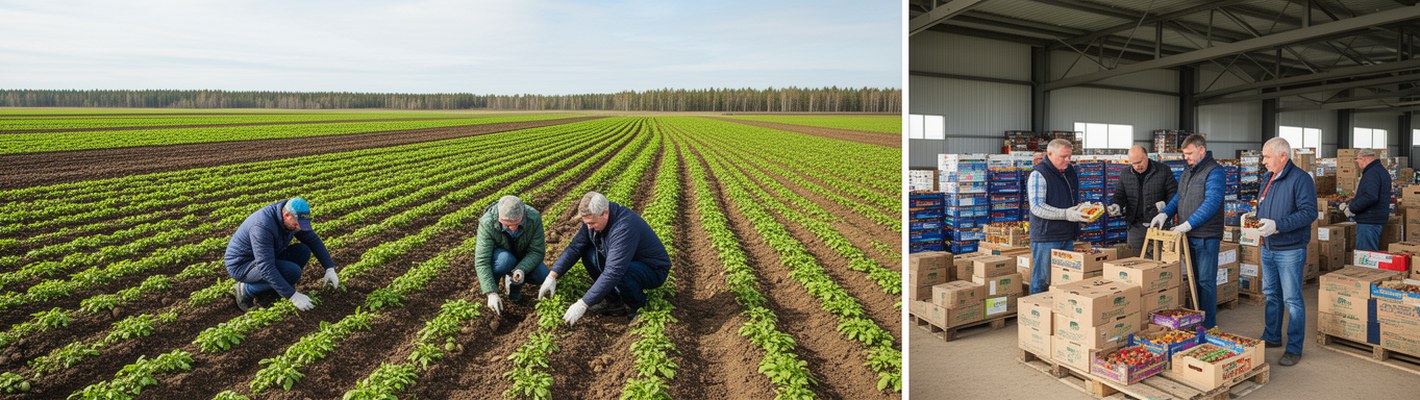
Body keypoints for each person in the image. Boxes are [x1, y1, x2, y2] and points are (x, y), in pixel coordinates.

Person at [540, 192, 671, 325]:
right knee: (588, 254)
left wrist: (583, 303)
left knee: (622, 272)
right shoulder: (593, 220)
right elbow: (575, 247)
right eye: (586, 223)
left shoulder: (624, 227)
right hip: (627, 261)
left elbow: (614, 271)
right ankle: (614, 303)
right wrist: (552, 276)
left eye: (592, 223)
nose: (589, 227)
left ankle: (639, 306)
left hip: (652, 270)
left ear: (605, 213)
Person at [1149, 134, 1224, 329]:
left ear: (1201, 150)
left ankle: (1208, 325)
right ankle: (1196, 319)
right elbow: (1178, 197)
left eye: (1189, 153)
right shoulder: (1187, 172)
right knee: (1192, 280)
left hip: (1206, 237)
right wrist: (1165, 213)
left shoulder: (1214, 172)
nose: (1186, 157)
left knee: (1205, 282)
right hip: (1188, 236)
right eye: (1184, 154)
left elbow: (1212, 202)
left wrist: (1187, 224)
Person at [1255, 137, 1316, 367]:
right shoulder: (1267, 178)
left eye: (1267, 156)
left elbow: (1309, 213)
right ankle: (1272, 336)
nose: (1263, 161)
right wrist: (1255, 221)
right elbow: (1263, 205)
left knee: (1292, 299)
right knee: (1271, 294)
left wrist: (1278, 225)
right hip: (1268, 246)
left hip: (1290, 249)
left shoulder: (1301, 179)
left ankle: (1294, 348)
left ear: (1283, 156)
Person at [225, 198, 338, 312]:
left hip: (268, 255)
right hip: (243, 265)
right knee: (292, 272)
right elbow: (266, 267)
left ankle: (272, 290)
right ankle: (245, 289)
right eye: (296, 224)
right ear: (287, 215)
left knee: (303, 251)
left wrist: (329, 268)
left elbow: (312, 239)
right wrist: (292, 296)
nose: (299, 228)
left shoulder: (292, 216)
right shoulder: (263, 226)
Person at [1027, 139, 1092, 294]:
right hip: (1047, 237)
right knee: (1042, 281)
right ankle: (1036, 307)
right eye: (1063, 156)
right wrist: (1066, 214)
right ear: (1049, 154)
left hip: (1067, 234)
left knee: (1064, 281)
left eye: (1069, 156)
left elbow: (1068, 200)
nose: (1068, 160)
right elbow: (1037, 207)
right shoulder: (1039, 174)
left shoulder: (1069, 172)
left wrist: (1080, 210)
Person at [474, 195, 550, 316]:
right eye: (508, 225)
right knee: (505, 260)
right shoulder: (488, 222)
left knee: (543, 275)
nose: (513, 228)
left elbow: (537, 251)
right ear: (499, 218)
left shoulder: (533, 217)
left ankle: (513, 288)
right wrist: (490, 292)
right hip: (501, 257)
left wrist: (521, 269)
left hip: (523, 256)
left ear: (523, 215)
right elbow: (482, 261)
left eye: (517, 223)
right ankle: (495, 291)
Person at [1109, 145, 1178, 252]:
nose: (1137, 166)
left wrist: (1165, 206)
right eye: (1134, 163)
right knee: (1134, 258)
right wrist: (1116, 205)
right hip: (1135, 226)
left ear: (1146, 156)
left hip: (1157, 224)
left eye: (1139, 162)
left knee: (1156, 258)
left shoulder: (1163, 171)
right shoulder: (1125, 174)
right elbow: (1119, 195)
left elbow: (1173, 194)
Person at [1343, 149, 1391, 251]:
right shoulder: (1380, 170)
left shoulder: (1372, 173)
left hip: (1369, 221)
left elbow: (1371, 196)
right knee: (1369, 253)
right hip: (1374, 219)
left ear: (1363, 159)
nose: (1358, 164)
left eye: (1358, 161)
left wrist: (1352, 208)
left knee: (1365, 254)